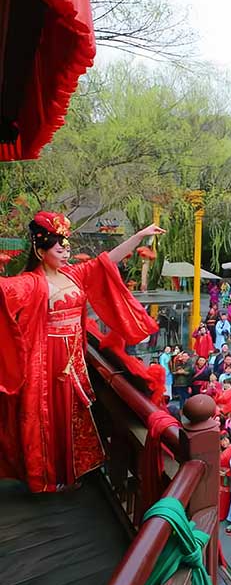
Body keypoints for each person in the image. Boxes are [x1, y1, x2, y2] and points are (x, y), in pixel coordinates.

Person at [0, 211, 165, 493]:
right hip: (46, 362)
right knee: (48, 420)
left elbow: (106, 261)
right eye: (58, 248)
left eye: (66, 247)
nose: (65, 252)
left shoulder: (73, 273)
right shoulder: (29, 283)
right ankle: (48, 480)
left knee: (71, 417)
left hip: (73, 359)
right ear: (41, 252)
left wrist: (139, 236)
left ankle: (70, 473)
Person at [219, 431, 231, 521]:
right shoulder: (220, 449)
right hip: (220, 475)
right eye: (221, 441)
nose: (223, 442)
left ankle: (224, 514)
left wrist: (227, 472)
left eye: (225, 440)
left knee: (226, 495)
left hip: (229, 476)